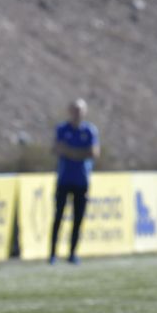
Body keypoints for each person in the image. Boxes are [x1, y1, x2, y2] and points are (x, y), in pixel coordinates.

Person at [49, 98, 100, 265]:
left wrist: (70, 152)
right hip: (64, 179)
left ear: (85, 112)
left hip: (81, 180)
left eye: (81, 110)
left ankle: (72, 253)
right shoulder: (62, 129)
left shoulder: (90, 130)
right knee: (58, 217)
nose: (77, 113)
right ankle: (52, 254)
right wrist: (80, 153)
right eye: (75, 110)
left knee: (78, 219)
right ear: (70, 111)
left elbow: (93, 153)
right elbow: (56, 149)